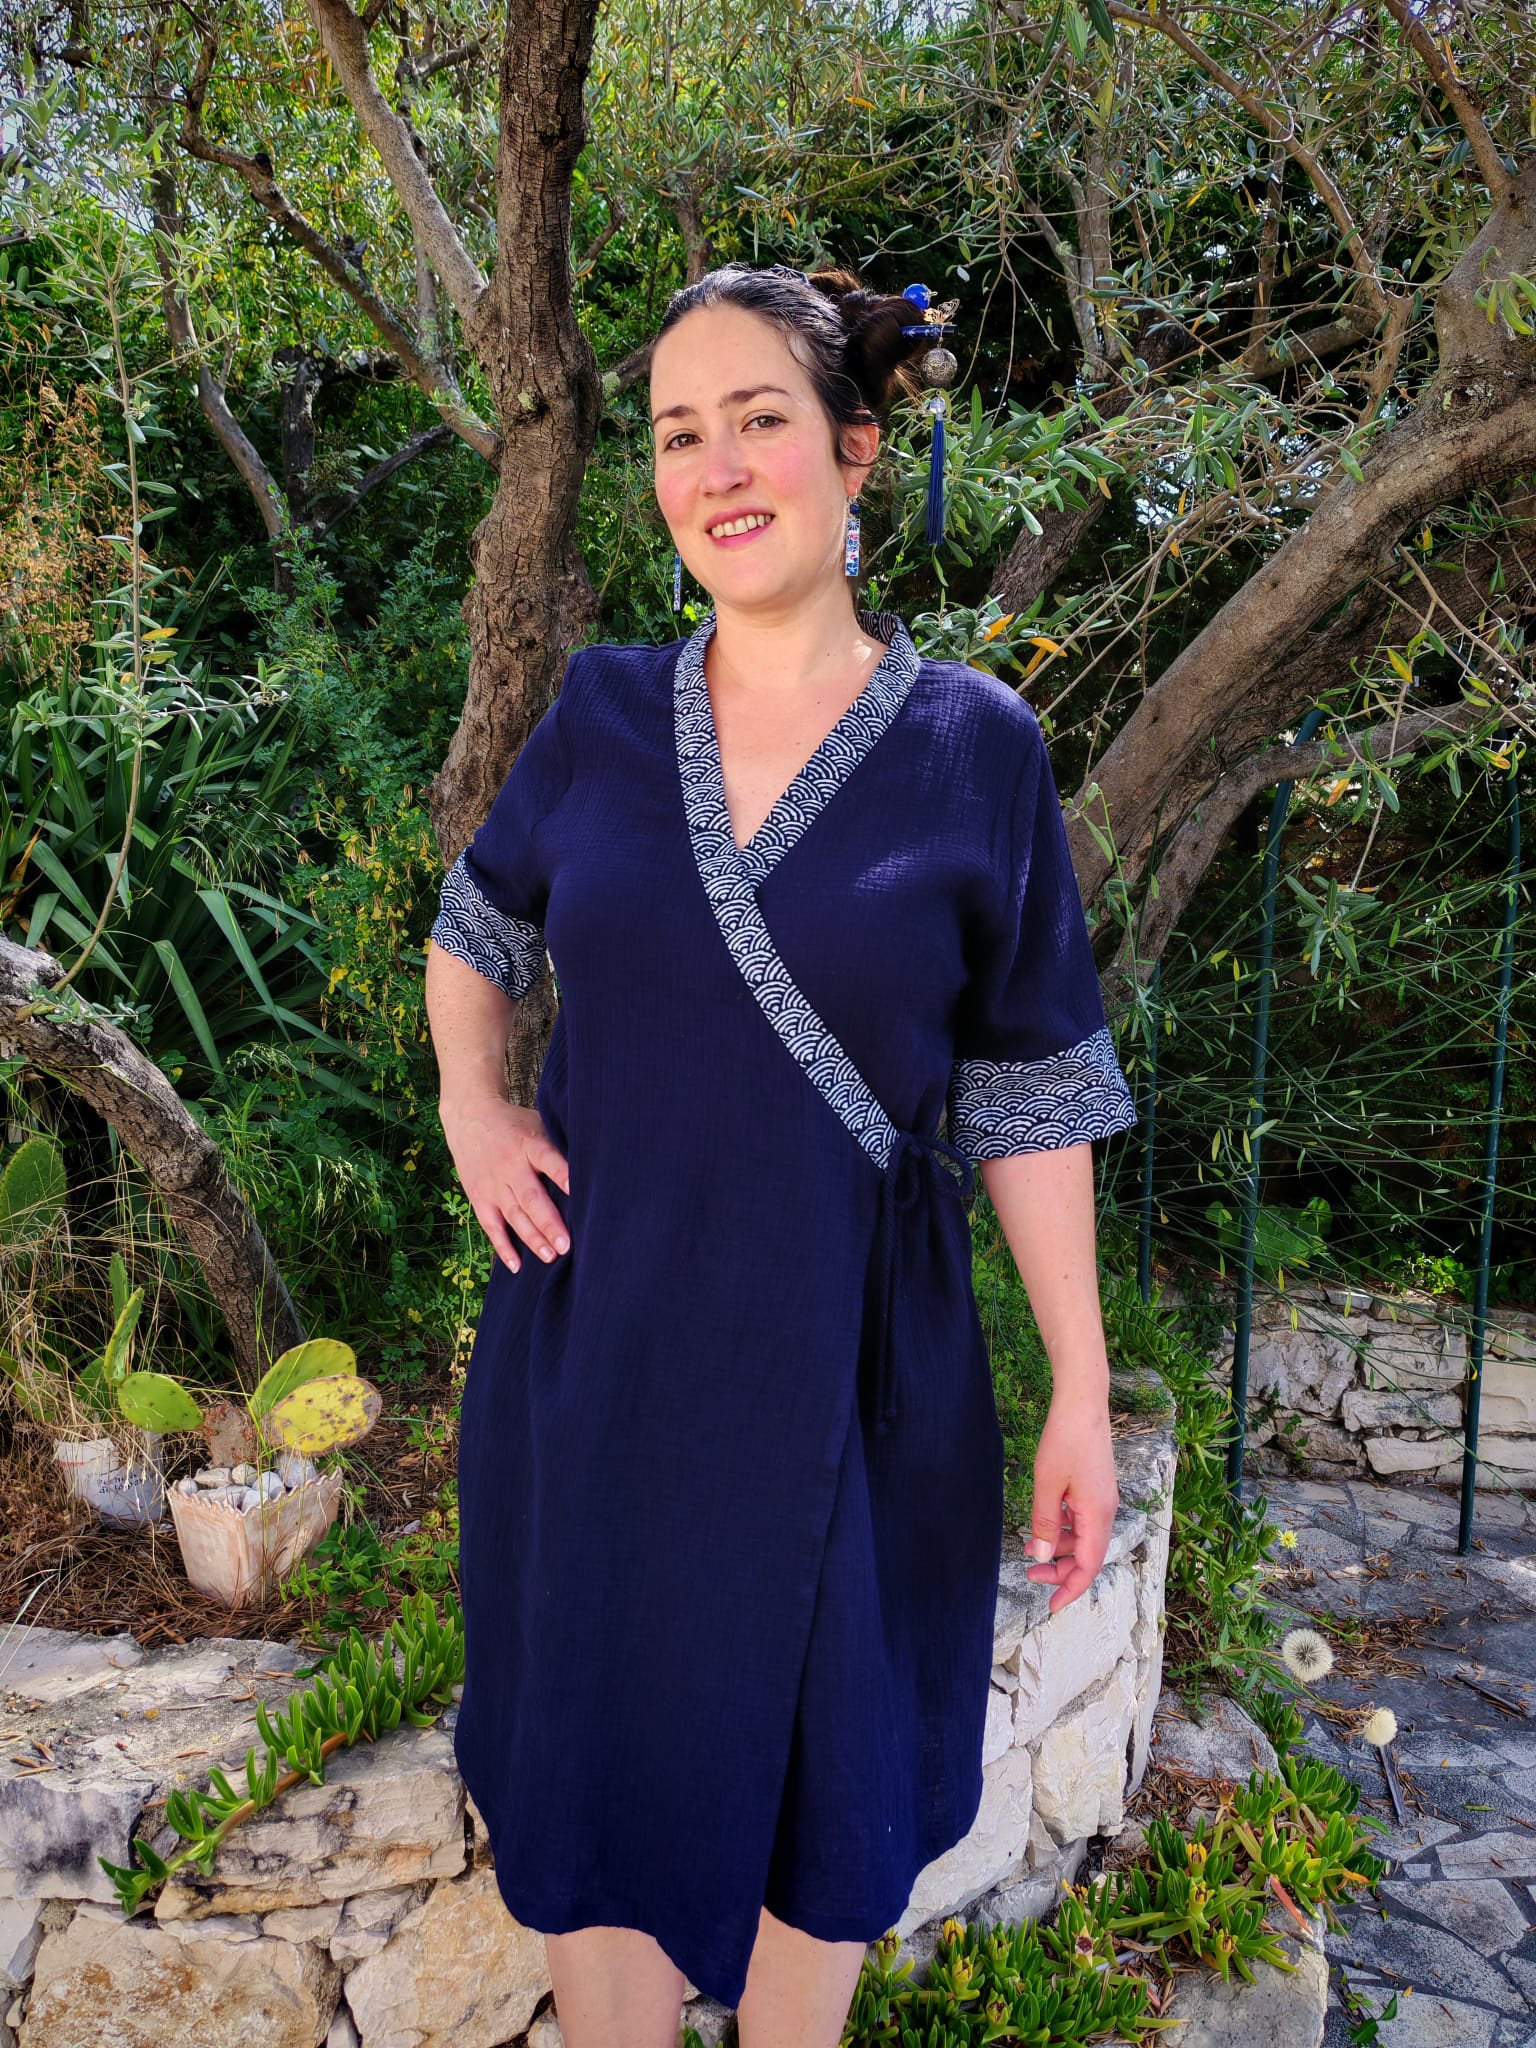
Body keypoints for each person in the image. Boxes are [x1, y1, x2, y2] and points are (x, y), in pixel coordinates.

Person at [423, 261, 1139, 2048]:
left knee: (826, 1795)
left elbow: (1034, 1089)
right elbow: (475, 928)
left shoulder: (975, 748)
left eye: (759, 420)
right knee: (591, 1774)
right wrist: (472, 1104)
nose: (718, 467)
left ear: (854, 449)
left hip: (854, 1373)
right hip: (596, 1359)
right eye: (680, 433)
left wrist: (1080, 1388)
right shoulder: (597, 715)